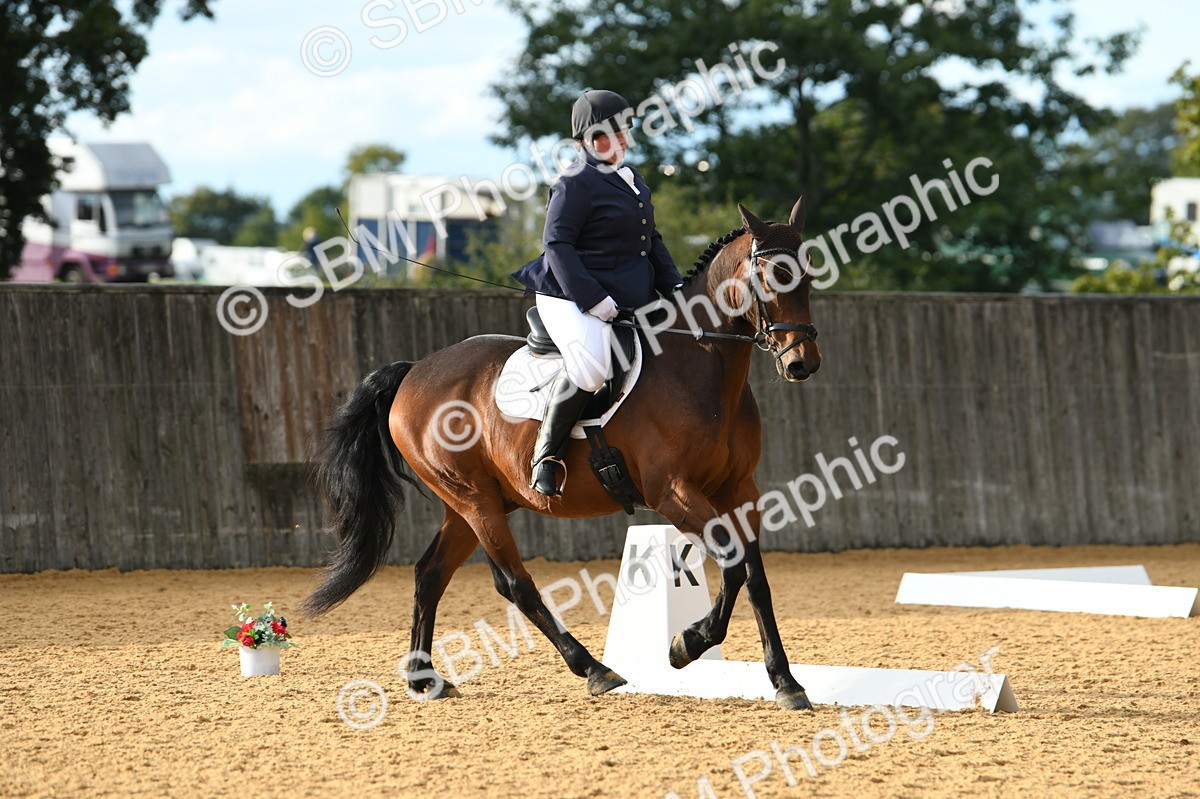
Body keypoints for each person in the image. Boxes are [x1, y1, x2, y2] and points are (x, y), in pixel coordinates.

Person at [512, 89, 684, 496]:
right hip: (570, 295)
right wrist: (593, 300)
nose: (623, 139)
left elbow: (649, 240)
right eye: (614, 132)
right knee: (591, 369)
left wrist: (675, 285)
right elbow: (557, 246)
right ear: (590, 139)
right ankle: (546, 456)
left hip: (627, 295)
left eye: (625, 130)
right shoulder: (575, 183)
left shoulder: (632, 178)